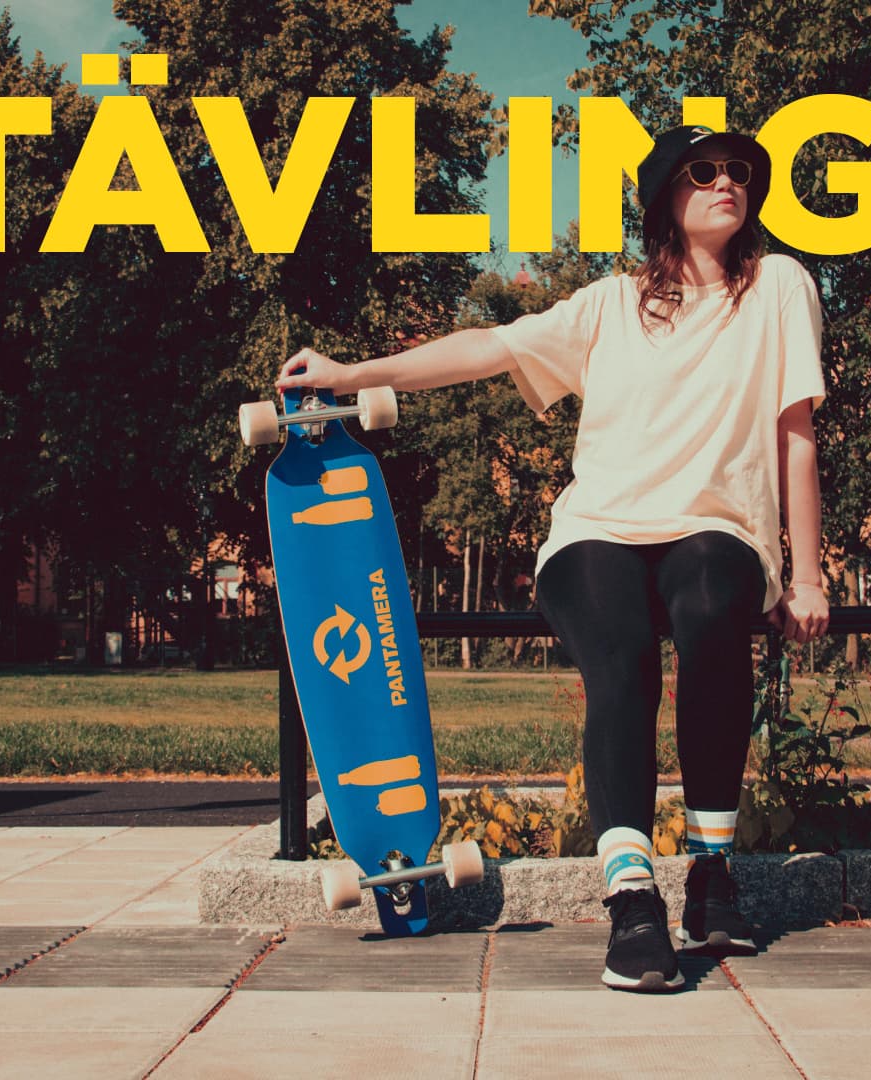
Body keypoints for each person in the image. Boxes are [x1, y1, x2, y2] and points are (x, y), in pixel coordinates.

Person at [277, 125, 830, 992]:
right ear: (664, 200)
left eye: (740, 172)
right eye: (705, 172)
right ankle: (633, 897)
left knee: (715, 605)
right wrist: (351, 374)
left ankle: (713, 875)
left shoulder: (782, 289)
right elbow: (487, 348)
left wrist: (808, 575)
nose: (729, 183)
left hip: (716, 530)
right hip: (598, 531)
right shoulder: (608, 304)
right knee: (623, 661)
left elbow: (796, 435)